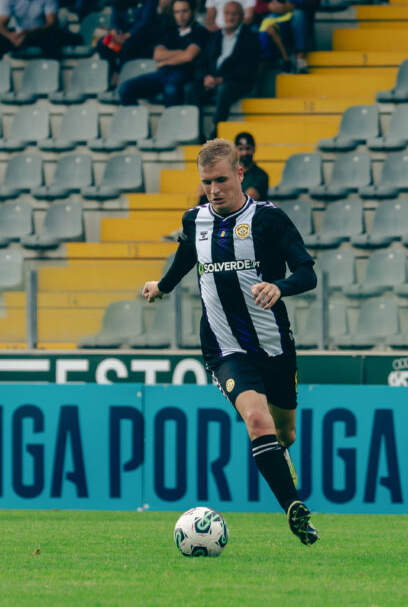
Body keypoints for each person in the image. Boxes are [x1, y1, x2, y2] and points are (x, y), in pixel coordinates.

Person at [141, 138, 318, 546]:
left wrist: (280, 286)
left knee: (285, 434)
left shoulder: (269, 219)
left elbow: (307, 273)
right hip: (224, 348)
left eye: (221, 179)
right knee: (257, 420)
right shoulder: (195, 220)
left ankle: (280, 459)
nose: (213, 189)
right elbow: (187, 255)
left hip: (274, 345)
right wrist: (163, 286)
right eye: (206, 182)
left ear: (240, 173)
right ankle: (294, 508)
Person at [119, 0, 209, 105]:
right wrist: (181, 52)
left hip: (185, 73)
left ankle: (172, 117)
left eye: (184, 11)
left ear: (193, 11)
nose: (180, 16)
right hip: (162, 73)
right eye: (177, 12)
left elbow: (189, 57)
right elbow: (157, 55)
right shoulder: (170, 32)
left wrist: (166, 61)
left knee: (171, 90)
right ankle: (136, 116)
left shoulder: (200, 32)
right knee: (125, 88)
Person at [189, 0, 260, 136]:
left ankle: (217, 129)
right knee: (191, 89)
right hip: (212, 81)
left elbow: (248, 68)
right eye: (227, 13)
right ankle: (196, 133)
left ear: (242, 16)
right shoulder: (214, 36)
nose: (230, 17)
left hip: (235, 82)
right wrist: (206, 77)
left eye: (234, 14)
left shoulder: (250, 38)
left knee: (225, 89)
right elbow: (202, 63)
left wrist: (222, 79)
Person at [97, 0, 158, 78]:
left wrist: (128, 35)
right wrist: (116, 31)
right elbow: (115, 19)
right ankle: (111, 73)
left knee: (128, 45)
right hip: (123, 35)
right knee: (103, 43)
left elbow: (146, 20)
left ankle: (121, 75)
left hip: (143, 35)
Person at [258, 0, 311, 64]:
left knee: (297, 15)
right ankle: (279, 58)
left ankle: (296, 57)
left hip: (287, 20)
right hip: (273, 18)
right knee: (265, 33)